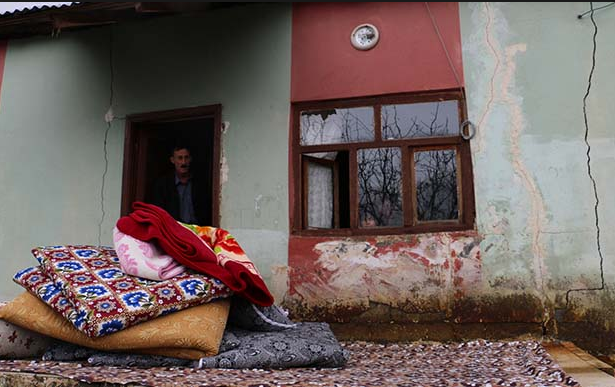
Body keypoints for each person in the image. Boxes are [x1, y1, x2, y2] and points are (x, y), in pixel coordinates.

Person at [150, 144, 210, 225]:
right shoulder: (163, 185)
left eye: (186, 157)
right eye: (180, 158)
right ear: (172, 160)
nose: (183, 162)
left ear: (190, 159)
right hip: (173, 231)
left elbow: (206, 210)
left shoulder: (200, 184)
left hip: (198, 230)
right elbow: (158, 212)